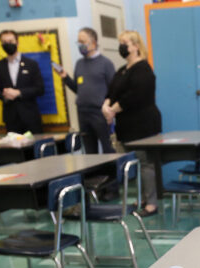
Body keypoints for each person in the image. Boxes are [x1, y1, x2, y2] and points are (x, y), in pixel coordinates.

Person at [103, 30, 162, 217]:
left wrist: (113, 110)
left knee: (146, 163)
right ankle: (142, 198)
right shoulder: (122, 70)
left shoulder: (143, 68)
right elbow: (111, 92)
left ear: (136, 46)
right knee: (135, 163)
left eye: (125, 43)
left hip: (143, 124)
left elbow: (137, 95)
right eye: (120, 42)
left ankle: (152, 203)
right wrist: (106, 106)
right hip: (125, 125)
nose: (122, 46)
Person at [58, 27, 115, 154]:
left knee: (108, 148)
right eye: (78, 42)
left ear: (93, 43)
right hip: (83, 112)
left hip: (100, 112)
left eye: (83, 41)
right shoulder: (79, 64)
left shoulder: (106, 63)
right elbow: (79, 89)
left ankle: (111, 173)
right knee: (89, 151)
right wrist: (66, 78)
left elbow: (114, 89)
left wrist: (109, 108)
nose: (80, 45)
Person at [0, 29, 44, 134]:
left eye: (10, 41)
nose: (8, 44)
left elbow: (40, 89)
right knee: (15, 149)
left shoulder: (31, 64)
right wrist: (5, 95)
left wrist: (19, 93)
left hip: (30, 117)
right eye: (4, 42)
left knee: (34, 148)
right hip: (11, 118)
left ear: (17, 42)